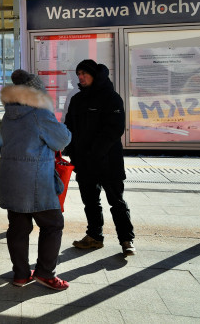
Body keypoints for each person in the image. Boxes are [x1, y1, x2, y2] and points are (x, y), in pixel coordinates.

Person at [0, 69, 72, 291]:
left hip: (12, 179)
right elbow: (62, 139)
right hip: (36, 181)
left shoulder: (9, 113)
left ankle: (21, 274)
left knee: (18, 227)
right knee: (53, 224)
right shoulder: (40, 114)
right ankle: (45, 274)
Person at [64, 59, 135, 256]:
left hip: (108, 162)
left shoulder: (111, 98)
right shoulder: (77, 100)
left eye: (84, 73)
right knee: (90, 202)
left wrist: (93, 152)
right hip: (84, 163)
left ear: (94, 74)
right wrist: (71, 151)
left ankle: (126, 240)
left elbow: (114, 129)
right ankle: (94, 236)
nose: (80, 77)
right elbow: (69, 127)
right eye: (78, 74)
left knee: (117, 202)